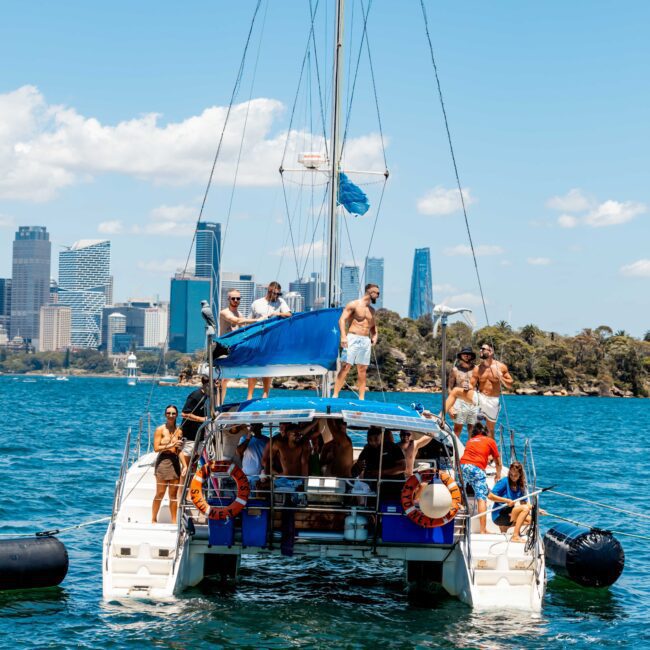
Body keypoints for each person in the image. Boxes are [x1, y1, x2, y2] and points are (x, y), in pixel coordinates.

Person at [333, 283, 380, 400]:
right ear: (370, 292)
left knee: (362, 369)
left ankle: (361, 398)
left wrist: (375, 336)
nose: (378, 296)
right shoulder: (353, 304)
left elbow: (373, 327)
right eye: (377, 293)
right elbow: (342, 320)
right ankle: (335, 395)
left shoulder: (372, 310)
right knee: (346, 366)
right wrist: (343, 336)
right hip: (352, 338)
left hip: (365, 340)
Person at [248, 281, 292, 400]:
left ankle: (265, 394)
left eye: (279, 294)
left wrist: (277, 313)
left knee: (267, 366)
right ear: (269, 291)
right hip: (257, 337)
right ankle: (249, 396)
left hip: (272, 339)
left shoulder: (280, 302)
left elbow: (289, 314)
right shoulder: (257, 303)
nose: (277, 296)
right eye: (275, 294)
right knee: (253, 366)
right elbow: (249, 321)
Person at [459, 419, 502, 534]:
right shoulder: (490, 441)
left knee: (461, 495)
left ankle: (460, 526)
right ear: (486, 432)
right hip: (476, 468)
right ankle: (483, 530)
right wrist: (498, 474)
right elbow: (498, 461)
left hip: (462, 466)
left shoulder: (471, 441)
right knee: (481, 498)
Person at [218, 289, 257, 404]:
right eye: (233, 298)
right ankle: (218, 404)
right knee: (222, 379)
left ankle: (249, 399)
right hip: (223, 347)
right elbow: (237, 321)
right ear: (228, 299)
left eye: (238, 298)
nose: (235, 300)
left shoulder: (240, 314)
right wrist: (257, 320)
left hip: (235, 348)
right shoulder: (224, 312)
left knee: (252, 366)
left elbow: (242, 328)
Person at [472, 342, 513, 438]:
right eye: (480, 349)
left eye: (483, 349)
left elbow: (510, 384)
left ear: (490, 351)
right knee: (474, 427)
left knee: (490, 430)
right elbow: (471, 385)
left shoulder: (501, 367)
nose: (480, 351)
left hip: (493, 400)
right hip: (480, 397)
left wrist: (501, 378)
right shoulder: (477, 368)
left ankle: (491, 452)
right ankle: (473, 449)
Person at [352, 427, 406, 499]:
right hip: (374, 487)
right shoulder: (367, 450)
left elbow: (403, 467)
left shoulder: (393, 447)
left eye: (376, 439)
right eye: (370, 440)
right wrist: (357, 467)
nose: (373, 442)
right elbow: (355, 470)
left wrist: (382, 472)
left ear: (382, 437)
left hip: (394, 486)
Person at [152, 405, 184, 523]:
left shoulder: (179, 430)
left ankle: (174, 521)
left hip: (175, 462)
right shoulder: (160, 429)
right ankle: (154, 519)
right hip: (163, 462)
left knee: (173, 496)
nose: (171, 415)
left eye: (173, 413)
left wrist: (184, 465)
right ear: (165, 414)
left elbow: (179, 450)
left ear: (176, 415)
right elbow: (156, 448)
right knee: (160, 493)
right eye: (169, 413)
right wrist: (171, 445)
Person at [488, 460, 531, 542]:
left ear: (520, 475)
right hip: (499, 513)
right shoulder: (504, 481)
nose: (513, 477)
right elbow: (490, 496)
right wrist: (506, 500)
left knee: (530, 519)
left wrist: (536, 509)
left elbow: (524, 503)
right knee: (525, 509)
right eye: (511, 475)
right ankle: (515, 536)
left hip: (510, 512)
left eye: (515, 475)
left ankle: (506, 527)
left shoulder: (521, 485)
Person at [179, 372, 211, 468]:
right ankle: (183, 483)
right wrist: (201, 419)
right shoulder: (195, 395)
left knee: (194, 465)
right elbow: (184, 413)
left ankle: (192, 482)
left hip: (201, 437)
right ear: (206, 384)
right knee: (186, 466)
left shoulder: (209, 396)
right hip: (190, 437)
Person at [447, 347, 478, 438]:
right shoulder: (455, 370)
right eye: (464, 354)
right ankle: (454, 450)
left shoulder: (476, 369)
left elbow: (480, 387)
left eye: (469, 354)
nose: (467, 356)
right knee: (457, 429)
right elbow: (450, 388)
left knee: (472, 429)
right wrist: (450, 407)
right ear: (460, 356)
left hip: (473, 401)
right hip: (459, 401)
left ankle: (471, 450)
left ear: (472, 356)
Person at [236, 423, 269, 489]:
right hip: (247, 477)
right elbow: (239, 452)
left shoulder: (267, 440)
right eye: (252, 425)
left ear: (261, 426)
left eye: (256, 425)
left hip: (262, 478)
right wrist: (248, 438)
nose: (254, 427)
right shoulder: (244, 438)